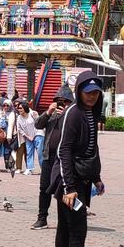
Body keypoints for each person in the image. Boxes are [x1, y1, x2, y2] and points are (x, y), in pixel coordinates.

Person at [51, 70, 104, 247]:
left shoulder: (90, 112)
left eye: (95, 93)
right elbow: (64, 151)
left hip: (81, 179)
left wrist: (96, 178)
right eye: (87, 92)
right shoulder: (73, 113)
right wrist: (69, 187)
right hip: (69, 182)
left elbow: (92, 148)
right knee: (77, 232)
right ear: (79, 91)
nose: (91, 97)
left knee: (66, 229)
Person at [32, 86, 73, 230]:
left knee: (64, 190)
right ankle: (42, 218)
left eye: (65, 101)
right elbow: (38, 124)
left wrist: (65, 114)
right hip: (48, 157)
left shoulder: (71, 115)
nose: (62, 104)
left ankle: (69, 219)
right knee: (44, 188)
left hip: (63, 160)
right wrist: (48, 112)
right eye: (59, 101)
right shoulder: (52, 114)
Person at [16, 100, 41, 175]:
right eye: (18, 108)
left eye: (20, 108)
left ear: (25, 108)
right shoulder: (19, 118)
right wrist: (27, 136)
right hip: (28, 137)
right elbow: (19, 129)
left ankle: (44, 168)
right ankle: (29, 169)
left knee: (40, 153)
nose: (19, 109)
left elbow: (39, 122)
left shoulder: (32, 113)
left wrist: (35, 135)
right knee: (29, 153)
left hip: (38, 134)